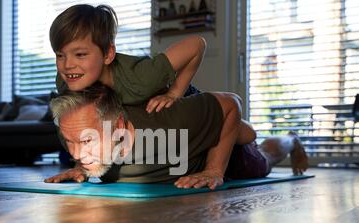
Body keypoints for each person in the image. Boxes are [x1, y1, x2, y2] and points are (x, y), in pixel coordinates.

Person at [49, 4, 257, 146]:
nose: (67, 65)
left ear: (108, 54)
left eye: (80, 54)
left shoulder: (141, 78)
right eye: (60, 55)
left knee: (247, 136)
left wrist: (174, 94)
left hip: (183, 96)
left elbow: (197, 44)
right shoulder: (68, 82)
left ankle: (289, 141)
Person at [44, 83, 309, 189]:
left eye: (87, 141)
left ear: (120, 126)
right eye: (71, 142)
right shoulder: (74, 125)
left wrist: (214, 169)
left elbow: (231, 103)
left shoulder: (165, 120)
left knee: (260, 151)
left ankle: (291, 138)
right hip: (188, 141)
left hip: (216, 150)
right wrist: (83, 165)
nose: (76, 152)